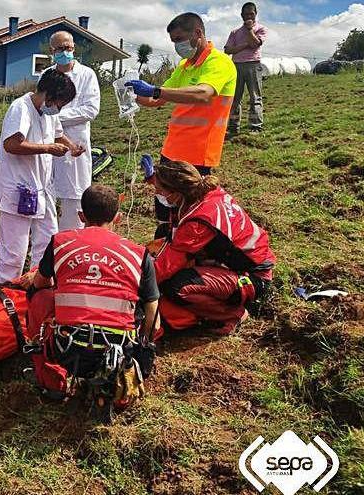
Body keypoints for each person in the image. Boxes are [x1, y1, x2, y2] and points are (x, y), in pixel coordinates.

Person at [20, 185, 159, 415]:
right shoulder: (138, 253)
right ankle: (122, 380)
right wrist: (144, 349)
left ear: (81, 216)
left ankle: (52, 381)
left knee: (39, 297)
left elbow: (39, 284)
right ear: (118, 217)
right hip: (118, 352)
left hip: (68, 350)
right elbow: (154, 312)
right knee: (142, 308)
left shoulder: (59, 242)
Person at [124, 12, 236, 239]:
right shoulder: (184, 67)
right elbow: (157, 100)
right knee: (165, 212)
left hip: (198, 155)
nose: (177, 46)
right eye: (174, 41)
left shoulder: (219, 62)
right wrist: (130, 95)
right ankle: (163, 256)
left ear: (198, 33)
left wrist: (155, 90)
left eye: (179, 39)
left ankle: (186, 261)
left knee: (190, 216)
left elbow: (204, 93)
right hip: (172, 151)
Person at [146, 160, 275, 334]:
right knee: (164, 234)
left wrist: (138, 283)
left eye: (160, 191)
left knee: (178, 287)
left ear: (176, 193)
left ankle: (233, 314)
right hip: (246, 259)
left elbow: (166, 267)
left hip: (253, 277)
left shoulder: (198, 223)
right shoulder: (207, 193)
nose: (158, 194)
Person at [0, 68, 84, 285]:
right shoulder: (21, 109)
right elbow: (11, 144)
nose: (59, 109)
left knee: (47, 243)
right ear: (48, 95)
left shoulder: (48, 113)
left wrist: (71, 147)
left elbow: (58, 134)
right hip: (19, 190)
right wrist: (47, 149)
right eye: (59, 104)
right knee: (14, 252)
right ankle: (4, 295)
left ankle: (38, 287)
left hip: (41, 189)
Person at [46, 31, 101, 231]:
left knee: (75, 196)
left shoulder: (86, 74)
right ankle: (47, 244)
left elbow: (91, 109)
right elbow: (42, 104)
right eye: (60, 48)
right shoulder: (48, 75)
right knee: (46, 194)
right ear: (52, 51)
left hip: (75, 142)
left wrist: (57, 116)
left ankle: (71, 241)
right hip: (49, 141)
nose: (65, 52)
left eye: (68, 48)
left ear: (74, 48)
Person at [224, 2, 267, 135]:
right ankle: (233, 127)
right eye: (246, 14)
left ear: (256, 14)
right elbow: (227, 50)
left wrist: (249, 30)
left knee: (255, 97)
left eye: (251, 14)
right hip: (236, 66)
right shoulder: (235, 32)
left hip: (253, 64)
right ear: (241, 15)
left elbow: (255, 44)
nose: (249, 16)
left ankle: (255, 126)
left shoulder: (261, 29)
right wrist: (244, 45)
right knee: (235, 98)